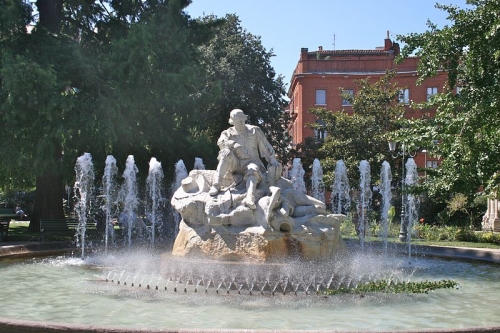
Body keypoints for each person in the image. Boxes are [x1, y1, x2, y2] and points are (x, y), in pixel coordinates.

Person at [208, 109, 281, 209]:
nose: (241, 123)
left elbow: (266, 147)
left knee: (253, 169)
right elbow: (221, 143)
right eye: (238, 121)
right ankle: (217, 184)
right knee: (225, 153)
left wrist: (272, 160)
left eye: (242, 120)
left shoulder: (255, 130)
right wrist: (233, 144)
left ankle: (250, 197)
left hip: (251, 161)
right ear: (233, 122)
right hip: (235, 163)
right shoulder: (227, 133)